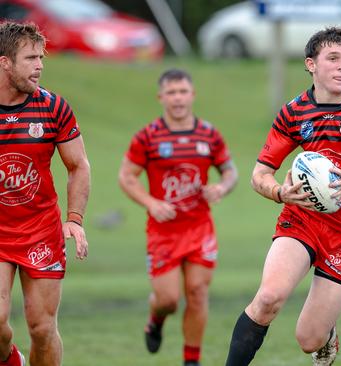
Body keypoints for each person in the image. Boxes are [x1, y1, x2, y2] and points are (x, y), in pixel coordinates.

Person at [224, 26, 341, 366]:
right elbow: (259, 174)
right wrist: (280, 192)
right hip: (304, 219)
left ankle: (327, 338)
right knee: (268, 298)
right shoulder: (295, 112)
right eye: (333, 59)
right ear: (311, 64)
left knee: (308, 339)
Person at [118, 69, 238, 366]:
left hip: (199, 228)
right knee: (169, 300)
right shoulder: (148, 136)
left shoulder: (209, 134)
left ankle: (191, 361)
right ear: (161, 97)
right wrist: (150, 203)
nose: (178, 98)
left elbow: (230, 171)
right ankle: (155, 319)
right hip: (163, 232)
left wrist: (221, 187)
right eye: (171, 93)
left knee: (197, 293)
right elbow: (126, 177)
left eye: (183, 91)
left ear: (192, 95)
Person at [0, 21, 90, 366]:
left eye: (42, 57)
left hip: (39, 231)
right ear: (5, 63)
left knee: (41, 327)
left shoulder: (53, 107)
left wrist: (75, 220)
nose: (39, 66)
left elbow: (78, 165)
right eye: (30, 58)